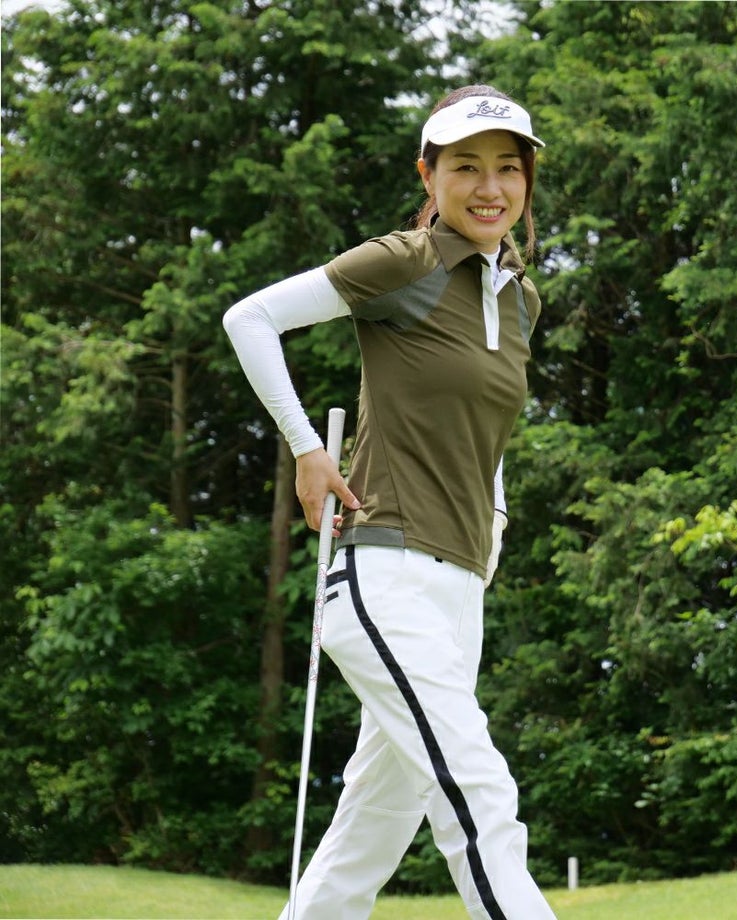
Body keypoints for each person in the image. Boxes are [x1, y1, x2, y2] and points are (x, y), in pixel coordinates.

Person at [223, 83, 557, 920]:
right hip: (386, 572)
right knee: (477, 787)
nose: (489, 187)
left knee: (374, 828)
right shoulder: (407, 262)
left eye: (508, 167)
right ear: (429, 175)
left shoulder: (521, 299)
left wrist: (494, 525)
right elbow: (251, 319)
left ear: (528, 179)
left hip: (461, 587)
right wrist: (308, 449)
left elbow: (483, 435)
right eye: (466, 167)